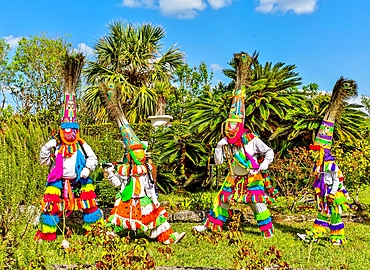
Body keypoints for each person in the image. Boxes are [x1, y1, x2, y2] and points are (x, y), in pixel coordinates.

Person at [101, 83, 185, 244]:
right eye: (137, 154)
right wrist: (111, 172)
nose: (141, 156)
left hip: (143, 198)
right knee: (118, 220)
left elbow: (149, 186)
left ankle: (168, 238)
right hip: (127, 199)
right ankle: (110, 236)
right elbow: (118, 183)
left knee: (155, 219)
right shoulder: (125, 169)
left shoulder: (146, 168)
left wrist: (154, 199)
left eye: (142, 154)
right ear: (131, 156)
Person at [35, 53, 102, 241]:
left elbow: (93, 158)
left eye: (73, 130)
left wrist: (88, 169)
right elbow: (43, 161)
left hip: (79, 181)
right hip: (57, 182)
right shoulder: (56, 145)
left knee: (90, 203)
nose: (70, 134)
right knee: (50, 205)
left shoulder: (82, 144)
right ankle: (47, 234)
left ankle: (95, 232)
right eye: (67, 130)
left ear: (77, 131)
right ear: (61, 130)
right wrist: (47, 147)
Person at [297, 77, 356, 246]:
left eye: (317, 152)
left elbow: (335, 180)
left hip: (332, 193)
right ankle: (314, 235)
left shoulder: (329, 164)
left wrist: (331, 194)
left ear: (323, 151)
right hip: (324, 193)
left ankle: (337, 237)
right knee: (322, 213)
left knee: (335, 215)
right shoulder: (319, 164)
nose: (314, 155)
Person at [193, 125, 277, 238]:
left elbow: (269, 151)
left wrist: (264, 164)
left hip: (252, 178)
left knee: (256, 203)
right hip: (233, 178)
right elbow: (218, 162)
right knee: (222, 201)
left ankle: (267, 232)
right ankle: (210, 226)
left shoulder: (252, 140)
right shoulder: (226, 143)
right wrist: (218, 147)